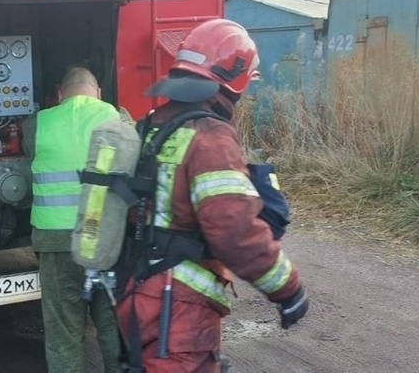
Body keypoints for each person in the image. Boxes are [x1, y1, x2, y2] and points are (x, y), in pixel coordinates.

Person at [116, 19, 309, 373]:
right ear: (232, 79)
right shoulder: (210, 135)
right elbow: (234, 230)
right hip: (178, 308)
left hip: (138, 289)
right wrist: (288, 288)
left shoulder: (151, 126)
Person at [22, 66, 127, 373]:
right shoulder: (118, 118)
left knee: (64, 332)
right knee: (114, 327)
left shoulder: (36, 124)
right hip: (106, 241)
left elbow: (31, 157)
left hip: (57, 243)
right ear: (98, 92)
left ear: (59, 93)